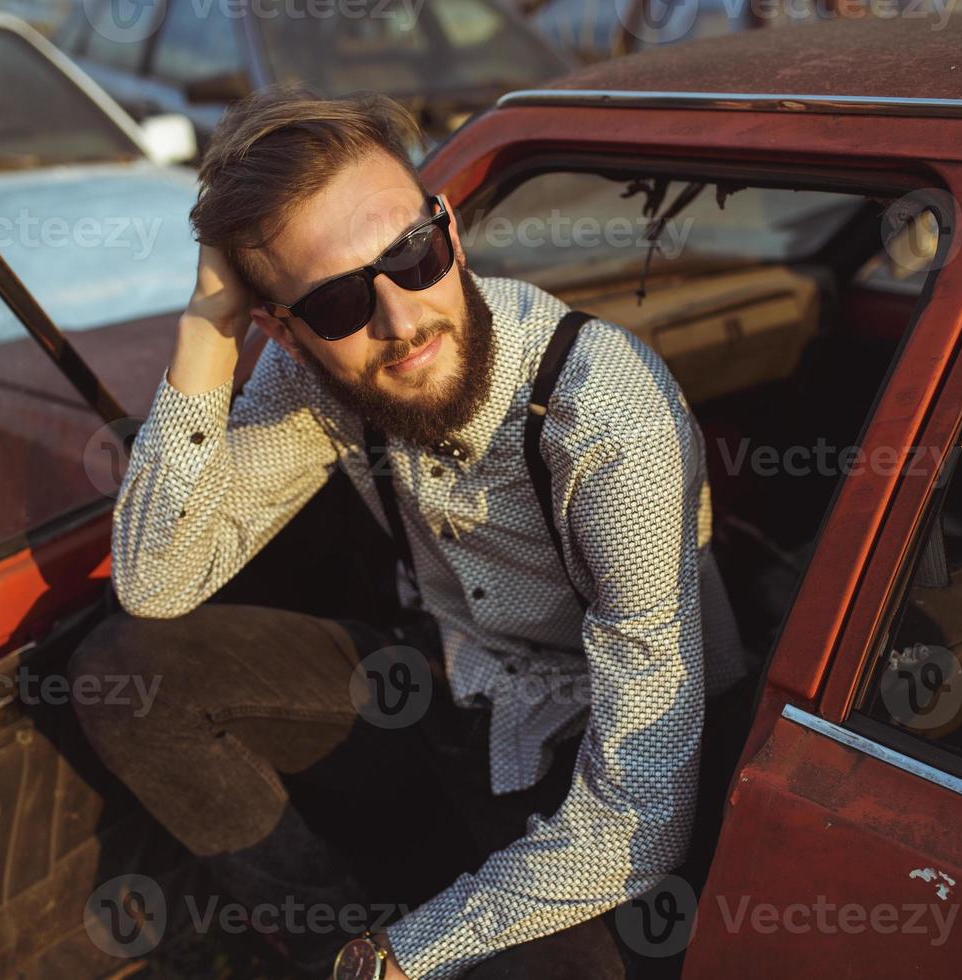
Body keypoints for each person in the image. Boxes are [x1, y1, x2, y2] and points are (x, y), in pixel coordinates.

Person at [70, 85, 748, 980]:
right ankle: (318, 943)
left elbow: (639, 816)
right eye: (339, 305)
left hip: (596, 750)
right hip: (444, 689)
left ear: (450, 231)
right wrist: (208, 329)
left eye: (413, 254)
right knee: (128, 673)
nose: (400, 320)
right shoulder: (318, 375)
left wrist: (401, 954)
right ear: (285, 328)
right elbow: (157, 579)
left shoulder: (606, 419)